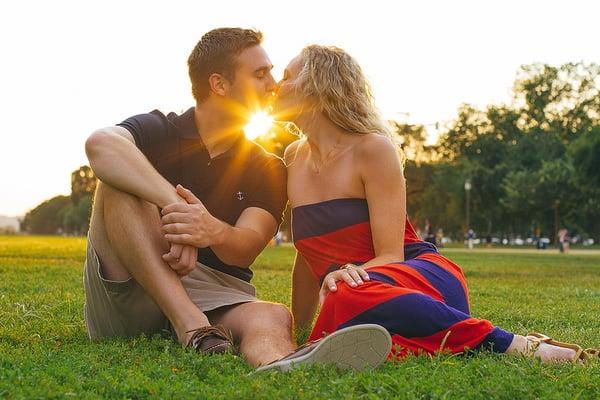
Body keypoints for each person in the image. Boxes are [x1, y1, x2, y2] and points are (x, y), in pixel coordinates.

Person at [83, 28, 390, 371]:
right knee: (118, 181)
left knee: (272, 315)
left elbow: (245, 247)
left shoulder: (269, 166)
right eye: (260, 74)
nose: (273, 84)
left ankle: (285, 366)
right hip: (137, 284)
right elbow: (101, 145)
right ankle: (192, 327)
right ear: (219, 85)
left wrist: (210, 231)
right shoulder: (160, 130)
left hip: (217, 292)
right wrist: (179, 210)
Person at [273, 44, 598, 363]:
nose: (276, 85)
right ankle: (378, 340)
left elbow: (391, 255)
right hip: (358, 291)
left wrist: (344, 278)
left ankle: (517, 345)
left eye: (286, 76)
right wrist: (301, 331)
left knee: (342, 294)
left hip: (415, 276)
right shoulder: (292, 158)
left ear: (317, 85)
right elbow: (308, 254)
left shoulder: (372, 150)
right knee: (343, 302)